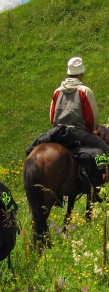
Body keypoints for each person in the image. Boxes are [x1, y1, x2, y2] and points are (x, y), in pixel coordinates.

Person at [50, 56, 109, 201]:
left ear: (69, 73)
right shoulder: (84, 90)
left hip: (60, 134)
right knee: (107, 150)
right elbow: (92, 117)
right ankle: (99, 190)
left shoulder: (57, 91)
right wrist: (92, 129)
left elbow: (52, 117)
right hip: (80, 134)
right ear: (81, 74)